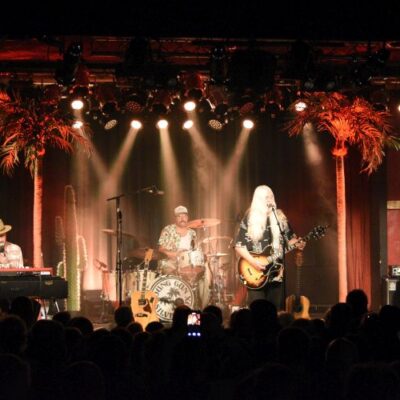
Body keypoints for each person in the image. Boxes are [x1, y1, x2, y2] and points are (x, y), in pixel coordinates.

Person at [234, 185, 305, 310]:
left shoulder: (280, 218)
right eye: (266, 197)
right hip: (255, 272)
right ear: (259, 199)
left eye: (271, 196)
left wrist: (299, 243)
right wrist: (253, 262)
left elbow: (290, 240)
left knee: (274, 310)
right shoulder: (249, 218)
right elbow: (239, 246)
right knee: (257, 310)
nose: (270, 199)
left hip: (276, 272)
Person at [158, 205, 197, 274]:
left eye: (184, 216)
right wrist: (173, 254)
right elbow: (161, 249)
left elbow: (195, 250)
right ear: (175, 218)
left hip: (187, 264)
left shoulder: (192, 233)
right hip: (170, 263)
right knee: (169, 270)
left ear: (187, 218)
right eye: (179, 216)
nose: (182, 219)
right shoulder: (167, 230)